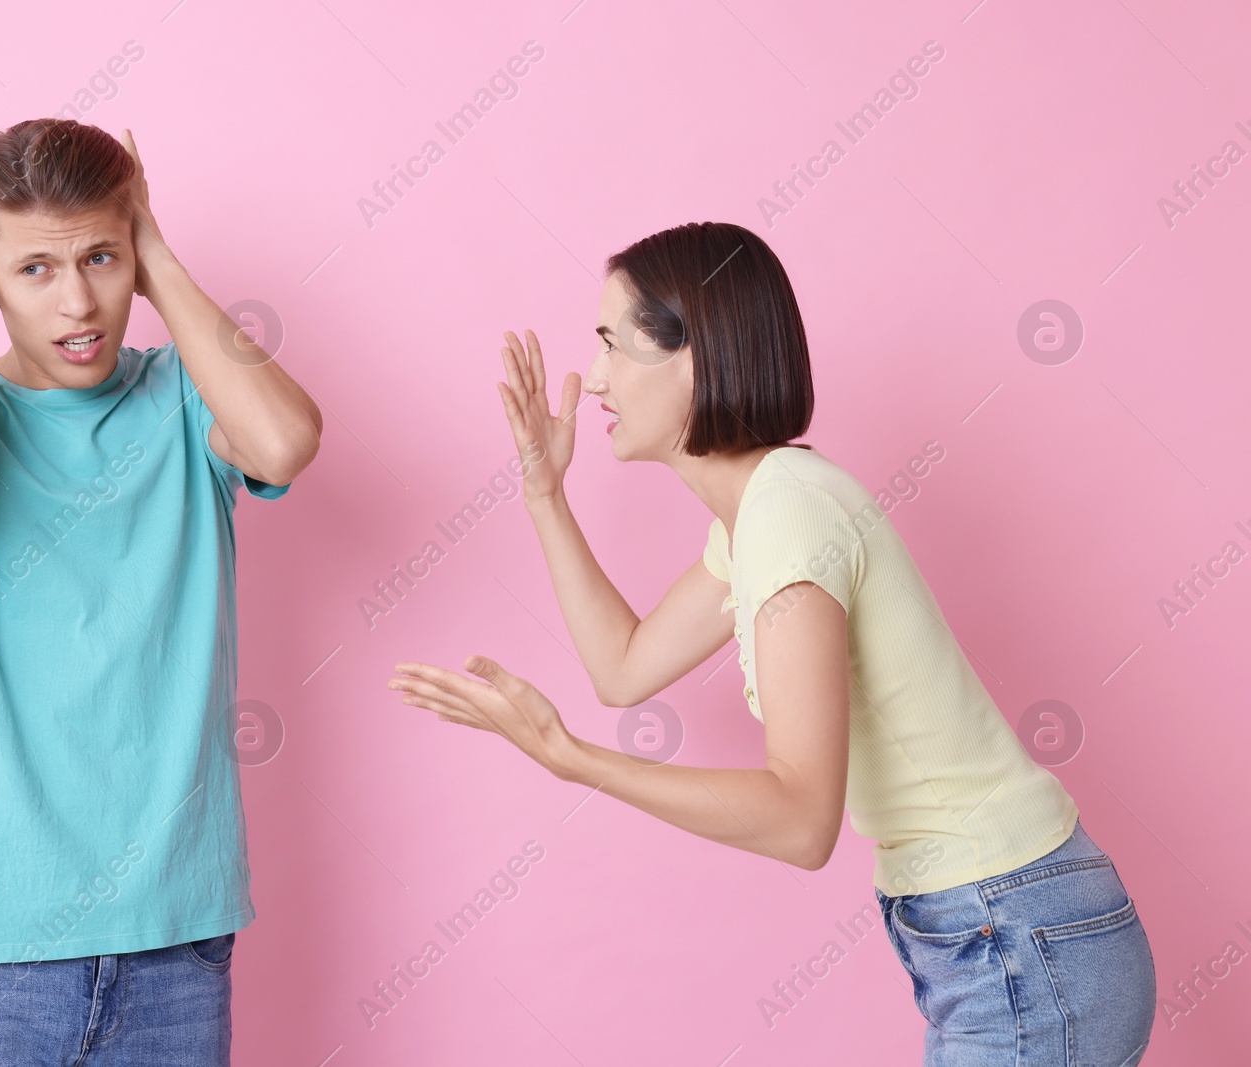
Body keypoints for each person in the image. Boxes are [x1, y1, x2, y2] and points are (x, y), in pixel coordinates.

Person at [388, 222, 1157, 1066]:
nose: (596, 377)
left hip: (1014, 931)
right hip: (1002, 931)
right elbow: (623, 668)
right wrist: (544, 494)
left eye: (614, 344)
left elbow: (800, 820)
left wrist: (570, 758)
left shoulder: (790, 508)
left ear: (695, 355)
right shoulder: (759, 516)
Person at [0, 118, 321, 1067]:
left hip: (172, 941)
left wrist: (153, 249)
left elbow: (281, 443)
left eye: (102, 258)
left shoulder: (188, 398)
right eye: (33, 269)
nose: (80, 301)